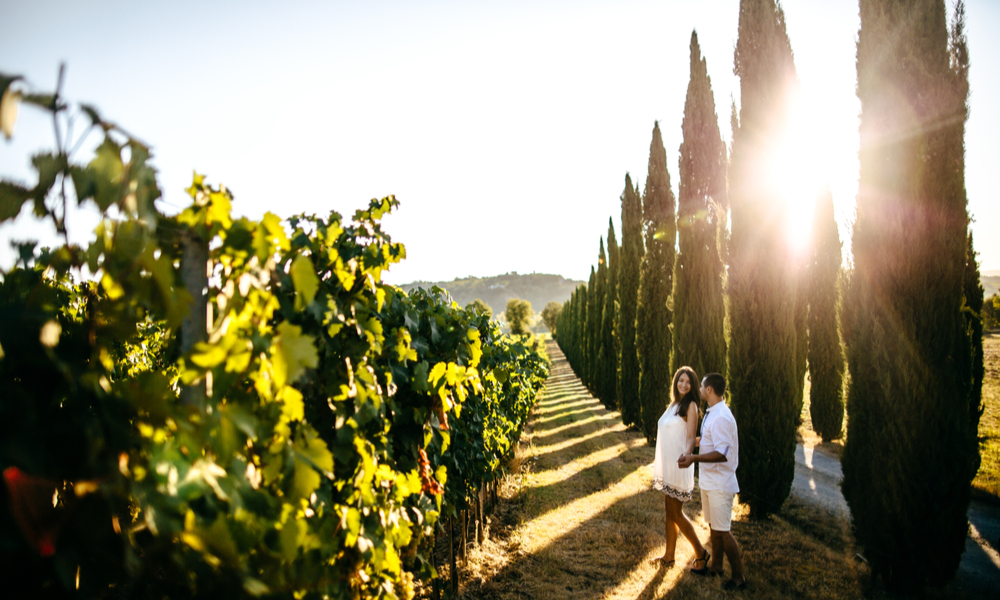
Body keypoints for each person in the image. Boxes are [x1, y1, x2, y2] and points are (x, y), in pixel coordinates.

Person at [678, 372, 746, 591]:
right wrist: (687, 442)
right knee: (714, 528)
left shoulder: (722, 417)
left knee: (723, 531)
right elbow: (706, 441)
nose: (698, 390)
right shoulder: (711, 413)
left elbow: (722, 453)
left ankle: (739, 578)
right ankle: (716, 566)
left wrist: (694, 458)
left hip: (720, 483)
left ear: (709, 390)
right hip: (709, 482)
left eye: (701, 387)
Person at [651, 367, 710, 571]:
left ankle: (701, 552)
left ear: (692, 385)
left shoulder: (691, 405)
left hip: (679, 464)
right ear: (675, 382)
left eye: (688, 382)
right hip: (668, 465)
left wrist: (686, 456)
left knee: (676, 513)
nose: (683, 384)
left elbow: (691, 438)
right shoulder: (674, 404)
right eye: (680, 380)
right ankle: (669, 556)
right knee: (669, 511)